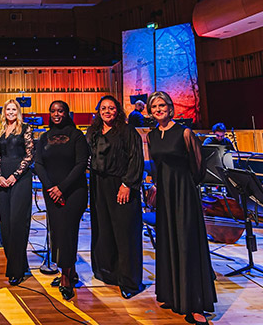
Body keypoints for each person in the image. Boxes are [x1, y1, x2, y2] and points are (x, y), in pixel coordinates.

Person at [147, 91, 216, 324]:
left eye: (162, 105)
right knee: (168, 242)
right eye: (154, 106)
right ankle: (172, 294)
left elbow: (199, 168)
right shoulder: (151, 136)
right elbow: (156, 166)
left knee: (187, 245)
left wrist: (186, 187)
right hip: (165, 196)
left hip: (184, 194)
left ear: (170, 107)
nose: (158, 109)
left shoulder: (184, 132)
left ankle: (195, 304)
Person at [86, 95, 145, 299]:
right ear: (98, 111)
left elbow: (136, 159)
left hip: (121, 184)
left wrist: (127, 184)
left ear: (117, 111)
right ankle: (107, 273)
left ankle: (129, 281)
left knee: (125, 232)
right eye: (103, 108)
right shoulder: (93, 131)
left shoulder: (127, 132)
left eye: (111, 108)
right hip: (98, 185)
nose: (107, 111)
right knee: (104, 228)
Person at [35, 100, 88, 300]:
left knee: (68, 232)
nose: (57, 114)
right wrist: (50, 187)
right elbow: (38, 164)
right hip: (52, 193)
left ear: (67, 113)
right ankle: (70, 271)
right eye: (53, 111)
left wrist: (61, 188)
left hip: (73, 192)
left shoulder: (77, 136)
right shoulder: (44, 137)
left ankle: (66, 278)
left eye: (61, 110)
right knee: (58, 232)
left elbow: (81, 163)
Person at [0, 99, 34, 286]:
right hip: (2, 181)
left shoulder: (25, 128)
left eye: (13, 109)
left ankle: (15, 270)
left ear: (18, 111)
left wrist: (14, 176)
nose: (10, 112)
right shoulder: (0, 130)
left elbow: (29, 155)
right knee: (6, 225)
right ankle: (19, 263)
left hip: (21, 179)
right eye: (7, 109)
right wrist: (0, 176)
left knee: (18, 223)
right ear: (4, 112)